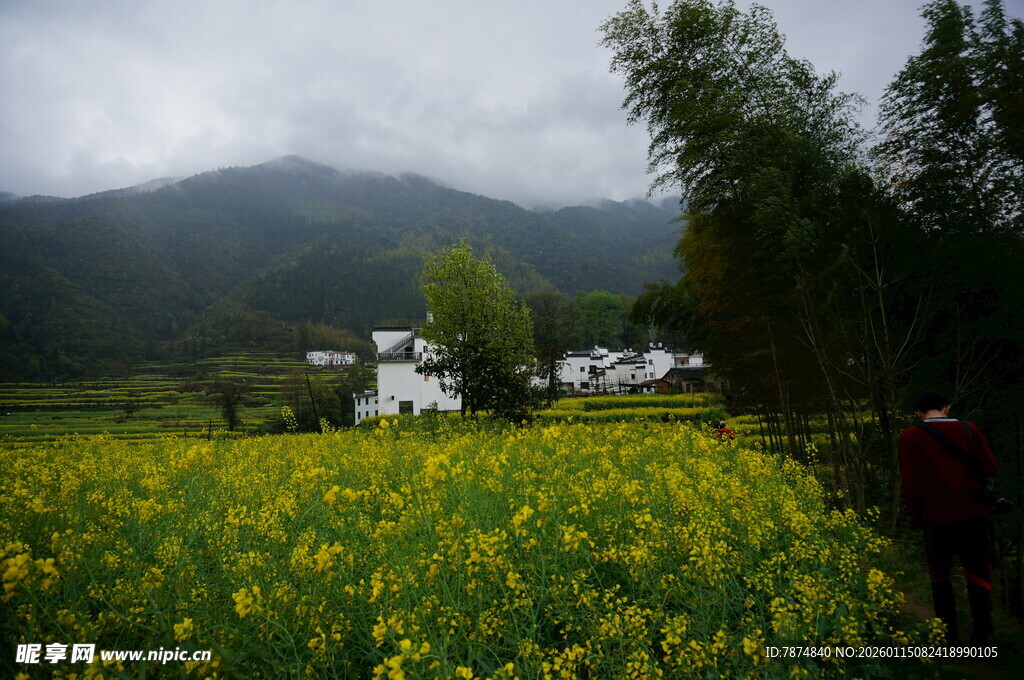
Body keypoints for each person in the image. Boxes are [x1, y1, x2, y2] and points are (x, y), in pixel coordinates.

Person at [899, 392, 999, 646]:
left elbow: (909, 481)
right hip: (974, 514)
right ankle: (982, 634)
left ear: (918, 413)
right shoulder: (969, 429)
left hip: (936, 517)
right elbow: (990, 467)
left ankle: (948, 634)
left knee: (940, 576)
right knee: (978, 573)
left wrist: (915, 515)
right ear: (946, 408)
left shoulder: (911, 435)